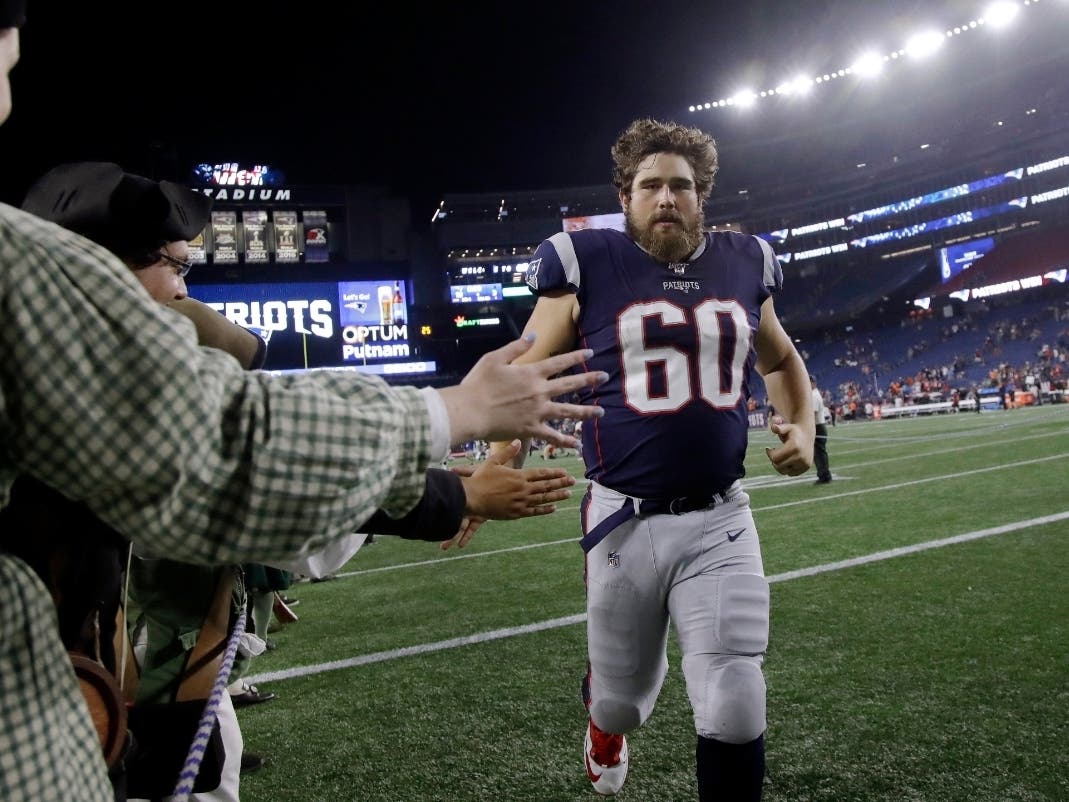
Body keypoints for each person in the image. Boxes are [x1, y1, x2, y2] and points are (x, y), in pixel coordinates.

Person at [0, 14, 608, 801]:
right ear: (93, 268)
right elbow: (234, 456)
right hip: (123, 696)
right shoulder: (40, 289)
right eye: (174, 266)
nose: (184, 290)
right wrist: (454, 426)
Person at [448, 118, 814, 800]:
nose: (666, 198)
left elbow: (781, 359)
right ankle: (603, 727)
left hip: (720, 519)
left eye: (681, 185)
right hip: (623, 518)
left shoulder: (743, 262)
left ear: (701, 196)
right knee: (622, 703)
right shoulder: (584, 262)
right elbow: (525, 374)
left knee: (735, 701)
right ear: (625, 197)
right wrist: (499, 459)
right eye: (650, 186)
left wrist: (800, 424)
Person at [810, 375, 833, 484]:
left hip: (817, 426)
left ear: (813, 383)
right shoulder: (813, 394)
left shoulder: (814, 395)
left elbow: (813, 413)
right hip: (818, 425)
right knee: (818, 453)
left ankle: (824, 475)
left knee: (819, 453)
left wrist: (810, 427)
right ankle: (823, 474)